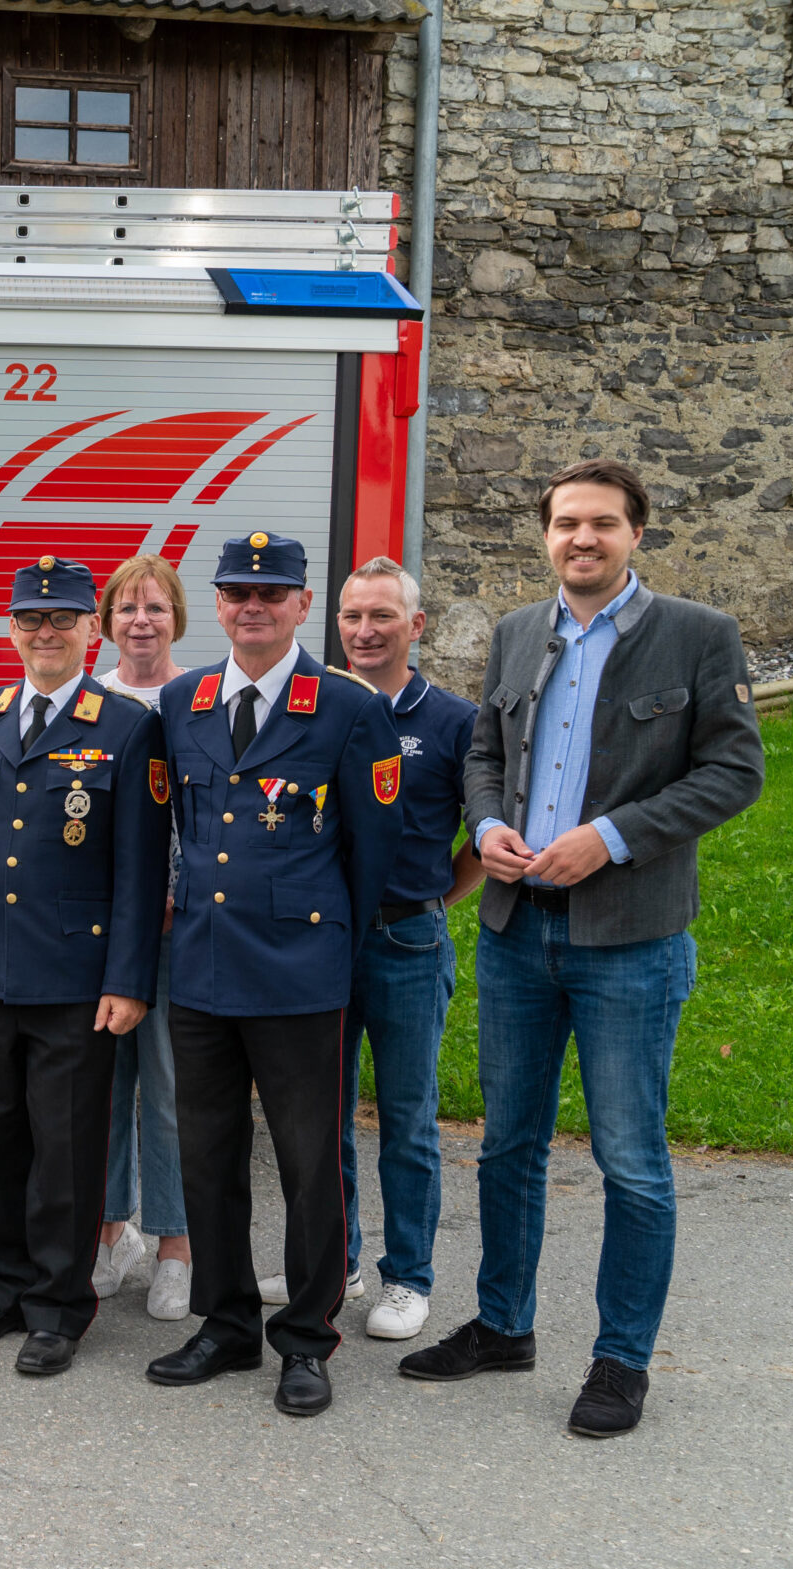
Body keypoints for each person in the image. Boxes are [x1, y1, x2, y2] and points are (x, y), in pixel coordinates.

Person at [404, 460, 764, 1438]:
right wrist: (487, 828)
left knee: (631, 1160)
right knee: (507, 1144)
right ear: (547, 534)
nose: (582, 538)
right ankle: (502, 1325)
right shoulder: (520, 631)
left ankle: (621, 1359)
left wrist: (608, 837)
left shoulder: (697, 634)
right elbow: (485, 752)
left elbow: (734, 770)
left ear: (636, 533)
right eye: (566, 522)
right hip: (517, 931)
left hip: (630, 939)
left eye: (602, 523)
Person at [146, 531, 401, 1419]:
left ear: (301, 604)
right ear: (217, 603)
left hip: (300, 973)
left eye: (270, 593)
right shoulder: (182, 700)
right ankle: (224, 1324)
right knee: (207, 1157)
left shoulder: (346, 706)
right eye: (236, 592)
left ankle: (306, 1339)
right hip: (204, 967)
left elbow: (369, 854)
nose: (252, 606)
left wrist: (331, 950)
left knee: (308, 1165)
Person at [0, 558, 167, 1372]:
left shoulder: (125, 726)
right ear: (11, 628)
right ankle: (7, 1283)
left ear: (91, 628)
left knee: (66, 1146)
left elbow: (140, 870)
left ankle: (59, 1303)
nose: (45, 632)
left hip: (75, 978)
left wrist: (128, 978)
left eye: (61, 618)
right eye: (30, 618)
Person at [299, 556, 482, 1342]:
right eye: (353, 616)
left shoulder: (453, 721)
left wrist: (434, 899)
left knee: (406, 1119)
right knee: (323, 1113)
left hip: (408, 940)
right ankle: (335, 1262)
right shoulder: (316, 707)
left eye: (383, 615)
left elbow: (486, 833)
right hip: (323, 942)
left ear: (417, 624)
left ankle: (408, 1277)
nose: (366, 630)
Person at [90, 555, 193, 1321]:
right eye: (126, 608)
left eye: (155, 607)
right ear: (106, 622)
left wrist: (176, 892)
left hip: (177, 928)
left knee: (168, 1090)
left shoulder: (200, 699)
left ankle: (176, 1248)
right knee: (100, 1087)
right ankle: (108, 1234)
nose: (141, 621)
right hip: (98, 929)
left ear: (177, 616)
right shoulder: (89, 703)